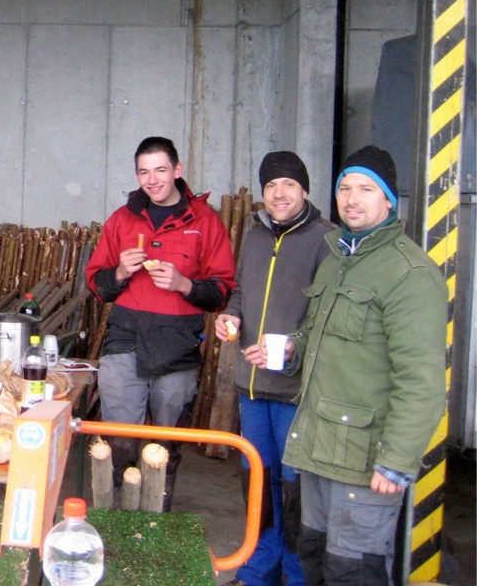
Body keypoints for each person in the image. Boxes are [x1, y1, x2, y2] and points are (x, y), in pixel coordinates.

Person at [262, 146, 447, 586]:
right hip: (318, 449)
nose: (352, 199)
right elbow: (318, 334)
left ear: (389, 201)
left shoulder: (409, 274)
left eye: (366, 189)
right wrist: (293, 349)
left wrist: (396, 460)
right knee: (313, 558)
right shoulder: (337, 260)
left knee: (353, 571)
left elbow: (421, 381)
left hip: (365, 460)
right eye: (345, 188)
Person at [85, 135, 236, 509]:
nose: (152, 180)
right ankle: (117, 519)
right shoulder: (122, 220)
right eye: (143, 172)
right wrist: (120, 271)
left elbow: (222, 290)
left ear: (177, 170)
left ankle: (157, 519)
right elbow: (97, 284)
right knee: (119, 440)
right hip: (125, 339)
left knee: (164, 446)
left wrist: (185, 284)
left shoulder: (204, 222)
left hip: (177, 344)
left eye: (160, 170)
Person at [213, 152, 336, 586]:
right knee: (258, 485)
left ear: (304, 189)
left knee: (296, 489)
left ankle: (296, 574)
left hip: (295, 391)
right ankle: (258, 570)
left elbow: (327, 315)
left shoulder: (326, 240)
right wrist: (230, 315)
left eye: (288, 184)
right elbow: (241, 291)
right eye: (270, 186)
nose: (279, 193)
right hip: (252, 385)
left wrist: (290, 349)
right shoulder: (255, 235)